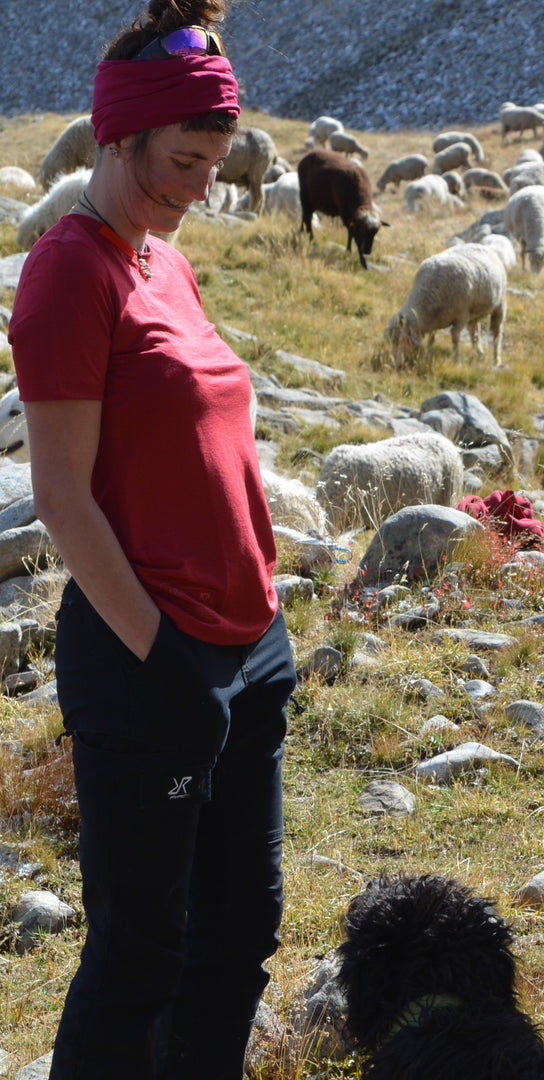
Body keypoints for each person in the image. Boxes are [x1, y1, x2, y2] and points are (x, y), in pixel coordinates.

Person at [8, 1, 297, 1077]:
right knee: (141, 954)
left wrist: (263, 626)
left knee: (239, 936)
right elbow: (61, 498)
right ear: (115, 137)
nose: (198, 189)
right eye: (182, 161)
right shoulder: (69, 274)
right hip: (151, 663)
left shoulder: (160, 258)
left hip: (247, 647)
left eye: (213, 165)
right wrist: (167, 660)